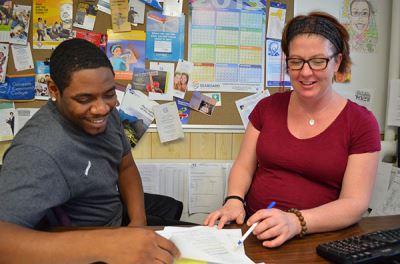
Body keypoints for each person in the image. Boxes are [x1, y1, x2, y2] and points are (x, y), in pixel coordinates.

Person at [204, 12, 380, 248]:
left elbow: (355, 203)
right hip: (256, 231)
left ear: (337, 62)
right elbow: (244, 166)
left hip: (319, 240)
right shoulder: (267, 107)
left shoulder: (361, 122)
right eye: (296, 61)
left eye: (318, 61)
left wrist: (295, 221)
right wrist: (234, 200)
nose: (305, 72)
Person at [0, 39, 180, 263]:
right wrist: (106, 245)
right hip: (86, 246)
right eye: (84, 99)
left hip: (115, 218)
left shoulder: (106, 112)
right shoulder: (37, 152)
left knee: (180, 222)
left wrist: (137, 225)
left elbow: (126, 166)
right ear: (54, 89)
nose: (101, 108)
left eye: (109, 94)